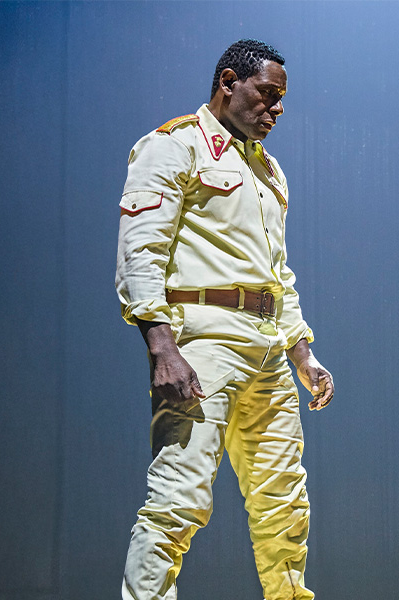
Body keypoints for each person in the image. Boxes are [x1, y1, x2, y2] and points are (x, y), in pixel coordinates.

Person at [115, 39, 333, 600]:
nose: (277, 108)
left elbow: (277, 271)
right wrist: (162, 347)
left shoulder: (269, 169)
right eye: (267, 94)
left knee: (285, 505)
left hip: (268, 352)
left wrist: (302, 352)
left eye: (281, 99)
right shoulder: (175, 145)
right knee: (178, 499)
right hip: (202, 344)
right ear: (229, 82)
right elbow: (141, 248)